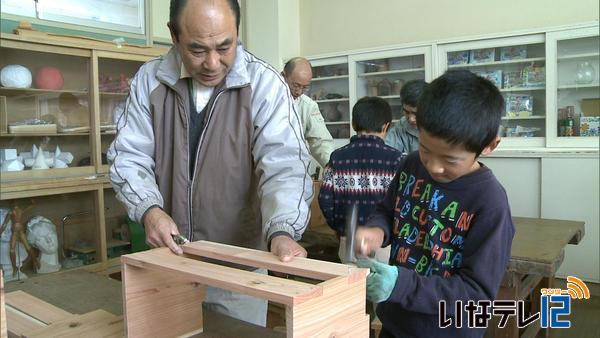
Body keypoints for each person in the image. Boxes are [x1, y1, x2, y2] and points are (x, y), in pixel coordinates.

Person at [107, 0, 312, 326]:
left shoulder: (263, 84)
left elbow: (284, 164)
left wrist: (282, 228)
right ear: (174, 35)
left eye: (225, 46)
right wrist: (150, 210)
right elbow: (129, 157)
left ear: (237, 32)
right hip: (171, 261)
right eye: (198, 49)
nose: (213, 63)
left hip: (239, 271)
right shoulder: (150, 81)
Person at [356, 70, 515, 337]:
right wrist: (377, 230)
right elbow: (386, 210)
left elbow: (476, 294)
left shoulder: (490, 203)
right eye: (425, 149)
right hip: (396, 321)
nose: (433, 166)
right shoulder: (410, 165)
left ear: (489, 145)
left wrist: (401, 284)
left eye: (450, 160)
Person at [318, 97, 403, 263]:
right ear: (386, 126)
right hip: (383, 244)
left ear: (353, 124)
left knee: (351, 288)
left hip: (348, 241)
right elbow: (402, 203)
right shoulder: (396, 160)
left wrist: (340, 228)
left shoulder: (337, 158)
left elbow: (325, 199)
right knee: (382, 288)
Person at [282, 57, 334, 168]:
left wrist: (332, 167)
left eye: (305, 87)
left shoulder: (308, 106)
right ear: (283, 76)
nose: (299, 92)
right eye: (295, 85)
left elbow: (320, 141)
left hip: (293, 167)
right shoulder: (265, 98)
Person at [384, 79, 428, 155]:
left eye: (416, 113)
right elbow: (386, 153)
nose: (411, 119)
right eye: (406, 112)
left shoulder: (442, 128)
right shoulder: (400, 128)